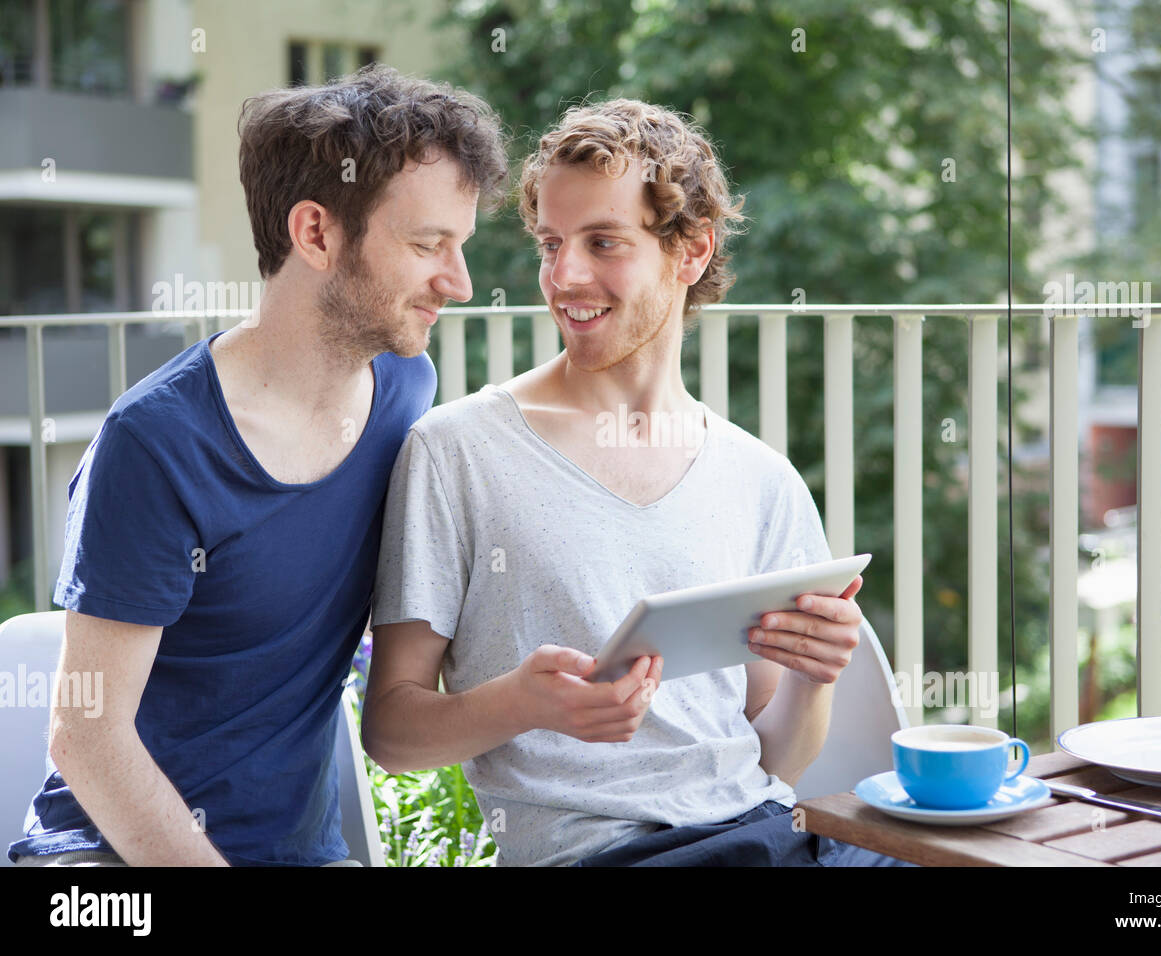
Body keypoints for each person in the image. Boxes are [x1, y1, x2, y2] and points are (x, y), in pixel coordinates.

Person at [363, 99, 909, 866]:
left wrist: (814, 680)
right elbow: (391, 734)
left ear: (689, 252)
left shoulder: (760, 479)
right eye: (551, 244)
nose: (565, 276)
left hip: (767, 835)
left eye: (603, 243)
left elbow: (774, 759)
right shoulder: (457, 451)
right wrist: (523, 702)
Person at [7, 65, 508, 867]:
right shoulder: (155, 445)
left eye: (461, 245)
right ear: (315, 233)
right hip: (103, 864)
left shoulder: (407, 388)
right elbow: (86, 737)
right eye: (427, 246)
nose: (460, 282)